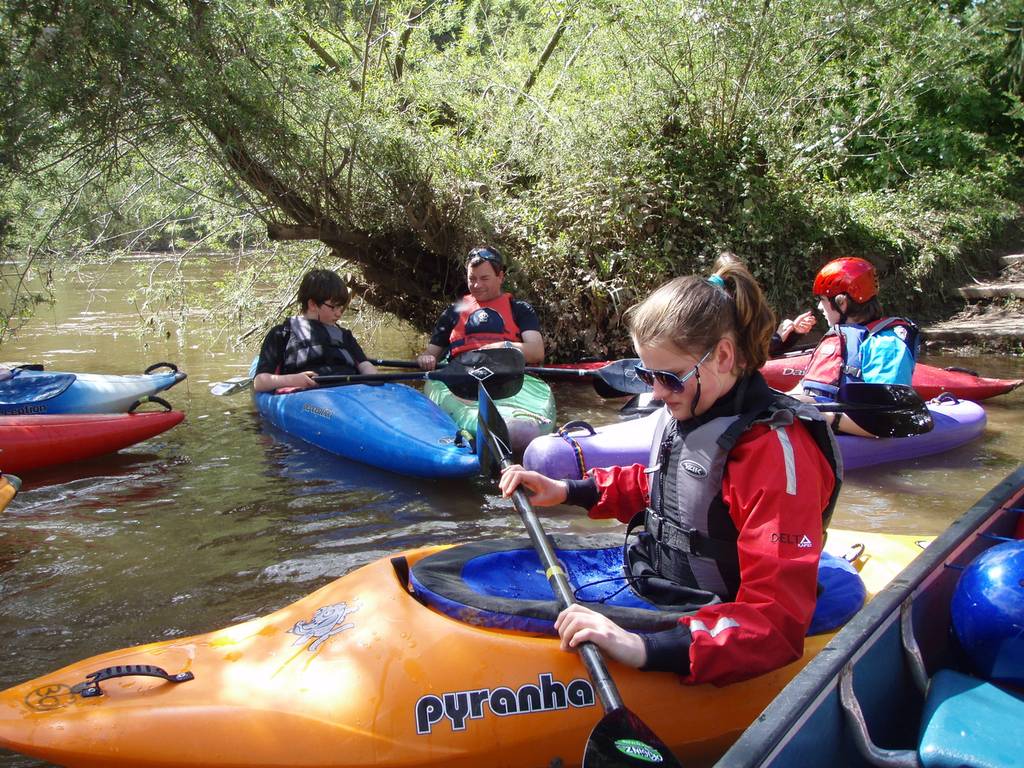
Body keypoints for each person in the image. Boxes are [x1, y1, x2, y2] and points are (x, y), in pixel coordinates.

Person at [498, 256, 842, 686]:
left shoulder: (776, 454)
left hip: (719, 620)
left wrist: (642, 649)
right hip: (664, 584)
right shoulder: (693, 409)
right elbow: (663, 486)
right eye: (648, 375)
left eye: (671, 377)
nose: (658, 393)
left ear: (722, 355)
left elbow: (773, 621)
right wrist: (567, 490)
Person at [791, 257, 920, 437]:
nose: (819, 307)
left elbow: (887, 418)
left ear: (842, 302)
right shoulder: (836, 338)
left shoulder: (885, 345)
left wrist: (823, 416)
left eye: (823, 299)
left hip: (848, 427)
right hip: (816, 419)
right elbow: (801, 391)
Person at [416, 246, 544, 371]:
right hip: (461, 376)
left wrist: (502, 346)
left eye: (484, 278)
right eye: (472, 279)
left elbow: (537, 351)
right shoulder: (453, 312)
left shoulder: (520, 309)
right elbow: (430, 353)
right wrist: (426, 358)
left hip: (506, 377)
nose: (477, 285)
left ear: (500, 277)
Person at [253, 268, 377, 393]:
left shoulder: (345, 335)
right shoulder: (281, 334)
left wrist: (372, 379)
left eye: (341, 307)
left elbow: (364, 365)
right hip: (307, 399)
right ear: (312, 304)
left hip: (350, 391)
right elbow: (259, 382)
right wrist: (293, 380)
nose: (339, 313)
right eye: (333, 307)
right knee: (324, 413)